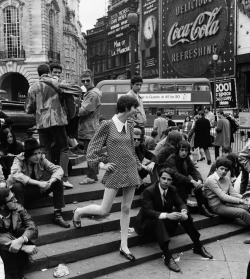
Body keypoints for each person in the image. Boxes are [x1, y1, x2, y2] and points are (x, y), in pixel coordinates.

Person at [73, 95, 141, 261]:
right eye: (134, 107)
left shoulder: (130, 126)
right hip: (115, 170)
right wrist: (102, 165)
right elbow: (92, 150)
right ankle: (79, 211)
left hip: (130, 169)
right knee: (104, 210)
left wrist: (139, 165)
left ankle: (124, 245)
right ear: (126, 108)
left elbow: (132, 150)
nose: (136, 110)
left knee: (126, 208)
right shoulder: (107, 125)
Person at [134, 168, 213, 273]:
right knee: (158, 220)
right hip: (147, 224)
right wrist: (167, 215)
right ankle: (168, 257)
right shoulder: (149, 191)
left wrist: (184, 212)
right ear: (159, 178)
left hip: (165, 223)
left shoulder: (172, 189)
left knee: (185, 216)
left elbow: (180, 203)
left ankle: (198, 245)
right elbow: (148, 211)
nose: (166, 181)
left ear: (172, 181)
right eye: (163, 178)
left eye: (169, 180)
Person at [26, 64, 72, 188]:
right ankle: (63, 178)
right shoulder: (56, 82)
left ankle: (49, 178)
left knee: (45, 150)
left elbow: (29, 108)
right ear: (49, 72)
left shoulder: (33, 87)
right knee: (64, 148)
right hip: (57, 119)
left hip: (41, 122)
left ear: (38, 73)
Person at [8, 138, 70, 229]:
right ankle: (22, 218)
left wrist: (50, 181)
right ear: (28, 155)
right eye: (35, 154)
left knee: (58, 181)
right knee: (17, 186)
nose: (38, 156)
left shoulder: (41, 158)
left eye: (39, 153)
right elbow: (15, 174)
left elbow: (58, 169)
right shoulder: (19, 159)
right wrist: (38, 183)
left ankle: (57, 215)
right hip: (22, 194)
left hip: (37, 190)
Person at [204, 158, 250, 244]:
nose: (224, 171)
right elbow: (223, 196)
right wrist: (241, 201)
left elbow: (234, 193)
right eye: (221, 168)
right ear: (216, 168)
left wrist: (245, 199)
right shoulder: (211, 179)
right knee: (242, 212)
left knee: (248, 207)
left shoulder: (226, 179)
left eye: (226, 170)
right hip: (216, 206)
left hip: (226, 203)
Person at [165, 140, 214, 217]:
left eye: (186, 150)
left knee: (198, 187)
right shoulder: (171, 159)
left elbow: (194, 171)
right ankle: (184, 211)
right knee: (181, 188)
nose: (184, 153)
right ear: (178, 150)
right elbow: (176, 175)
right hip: (172, 183)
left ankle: (202, 208)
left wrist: (199, 180)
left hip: (184, 181)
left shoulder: (187, 158)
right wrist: (191, 181)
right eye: (182, 150)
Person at [0, 188, 38, 279]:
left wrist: (21, 239)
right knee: (6, 250)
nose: (16, 200)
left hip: (13, 240)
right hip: (2, 246)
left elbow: (32, 227)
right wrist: (23, 247)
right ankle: (14, 275)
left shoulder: (18, 207)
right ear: (2, 205)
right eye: (12, 199)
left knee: (22, 232)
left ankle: (20, 273)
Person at [49, 63, 85, 157]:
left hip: (63, 113)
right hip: (50, 115)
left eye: (58, 73)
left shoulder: (62, 83)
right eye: (54, 72)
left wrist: (61, 85)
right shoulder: (47, 83)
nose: (57, 75)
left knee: (66, 132)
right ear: (50, 72)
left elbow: (78, 90)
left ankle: (71, 148)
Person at [78, 69, 102, 185]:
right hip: (90, 127)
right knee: (91, 152)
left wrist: (73, 108)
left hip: (90, 128)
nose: (85, 83)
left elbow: (83, 110)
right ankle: (93, 175)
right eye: (83, 81)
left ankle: (91, 177)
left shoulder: (92, 94)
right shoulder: (91, 92)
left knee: (90, 153)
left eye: (88, 80)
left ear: (92, 79)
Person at [133, 128, 158, 193]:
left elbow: (153, 156)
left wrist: (152, 164)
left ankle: (155, 185)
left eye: (138, 139)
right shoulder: (127, 148)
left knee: (153, 163)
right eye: (134, 139)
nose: (136, 141)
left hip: (140, 170)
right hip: (130, 173)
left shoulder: (141, 147)